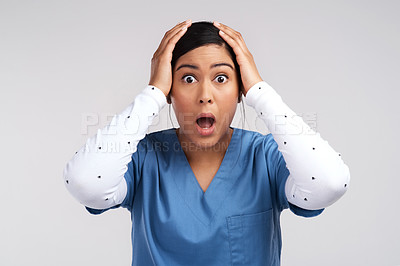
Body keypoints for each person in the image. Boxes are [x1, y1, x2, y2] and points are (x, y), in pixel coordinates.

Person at [63, 19, 350, 265]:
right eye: (188, 78)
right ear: (169, 91)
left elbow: (328, 184)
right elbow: (87, 183)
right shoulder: (143, 159)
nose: (205, 94)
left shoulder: (265, 157)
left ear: (241, 90)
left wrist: (260, 92)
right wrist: (151, 94)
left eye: (222, 78)